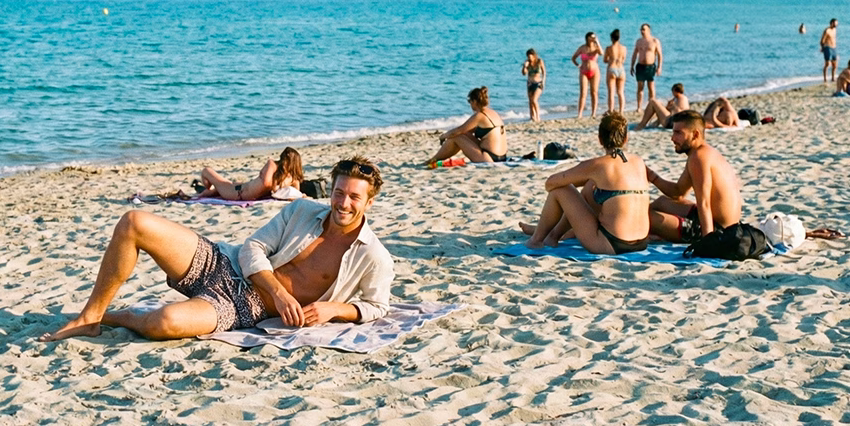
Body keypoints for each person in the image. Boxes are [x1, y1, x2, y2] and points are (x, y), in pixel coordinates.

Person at [41, 156, 394, 341]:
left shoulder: (372, 255)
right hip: (224, 263)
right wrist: (279, 291)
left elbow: (376, 305)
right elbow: (253, 246)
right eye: (338, 192)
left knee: (164, 322)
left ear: (369, 201)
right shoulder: (301, 210)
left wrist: (335, 309)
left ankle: (110, 317)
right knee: (134, 222)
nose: (342, 203)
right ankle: (89, 317)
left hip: (244, 306)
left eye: (353, 197)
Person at [519, 112, 650, 254]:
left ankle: (536, 240)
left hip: (612, 244)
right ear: (625, 139)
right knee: (590, 187)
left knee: (561, 190)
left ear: (600, 139)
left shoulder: (597, 165)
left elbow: (550, 183)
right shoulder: (638, 161)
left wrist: (580, 178)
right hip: (642, 242)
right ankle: (553, 236)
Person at [646, 110, 743, 243]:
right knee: (662, 202)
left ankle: (650, 232)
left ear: (695, 134)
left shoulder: (698, 158)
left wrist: (708, 242)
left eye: (678, 133)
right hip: (724, 223)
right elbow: (678, 192)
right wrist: (651, 176)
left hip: (718, 230)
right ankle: (653, 231)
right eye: (673, 132)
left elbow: (704, 203)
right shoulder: (703, 152)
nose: (672, 138)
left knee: (645, 217)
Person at [428, 87, 507, 165]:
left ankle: (433, 160)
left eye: (470, 101)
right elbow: (466, 131)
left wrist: (443, 136)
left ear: (474, 101)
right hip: (502, 157)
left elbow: (458, 131)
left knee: (456, 136)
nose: (470, 105)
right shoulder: (493, 113)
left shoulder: (480, 115)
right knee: (462, 134)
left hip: (488, 158)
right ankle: (435, 159)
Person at [195, 147, 304, 201]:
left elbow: (297, 193)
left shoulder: (291, 178)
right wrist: (279, 186)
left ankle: (207, 191)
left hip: (240, 190)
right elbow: (266, 183)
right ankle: (206, 175)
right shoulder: (272, 164)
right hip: (237, 192)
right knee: (210, 173)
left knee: (219, 187)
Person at [630, 23, 664, 112]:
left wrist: (659, 67)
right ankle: (639, 107)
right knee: (640, 87)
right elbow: (634, 54)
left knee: (651, 87)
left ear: (649, 30)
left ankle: (652, 105)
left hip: (650, 66)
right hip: (640, 66)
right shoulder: (639, 41)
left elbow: (660, 55)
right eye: (641, 29)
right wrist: (631, 66)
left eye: (644, 29)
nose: (642, 31)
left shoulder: (654, 41)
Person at [572, 32, 602, 119]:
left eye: (594, 37)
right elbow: (573, 58)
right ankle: (580, 113)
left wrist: (597, 42)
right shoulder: (582, 48)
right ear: (587, 38)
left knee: (594, 92)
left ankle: (593, 113)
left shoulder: (596, 47)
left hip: (595, 72)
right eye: (591, 37)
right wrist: (578, 65)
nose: (593, 38)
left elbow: (601, 53)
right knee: (583, 93)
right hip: (584, 71)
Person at [603, 29, 627, 114]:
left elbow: (605, 60)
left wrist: (610, 59)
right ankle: (621, 111)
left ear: (612, 38)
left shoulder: (609, 48)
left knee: (611, 92)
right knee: (620, 92)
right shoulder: (624, 48)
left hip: (612, 68)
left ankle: (611, 110)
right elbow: (623, 60)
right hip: (621, 69)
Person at [521, 49, 546, 122]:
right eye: (528, 56)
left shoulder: (539, 61)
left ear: (534, 56)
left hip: (538, 83)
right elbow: (524, 73)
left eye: (530, 56)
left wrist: (543, 82)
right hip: (530, 83)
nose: (529, 58)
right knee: (530, 101)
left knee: (534, 100)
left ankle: (538, 116)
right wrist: (525, 66)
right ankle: (532, 117)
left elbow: (544, 72)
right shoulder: (527, 63)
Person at [820, 19, 838, 83]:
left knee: (835, 64)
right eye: (835, 23)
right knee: (827, 64)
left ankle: (833, 78)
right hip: (828, 47)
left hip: (834, 48)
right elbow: (822, 40)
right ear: (832, 23)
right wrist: (822, 47)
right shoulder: (827, 30)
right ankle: (825, 78)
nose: (836, 25)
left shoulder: (835, 30)